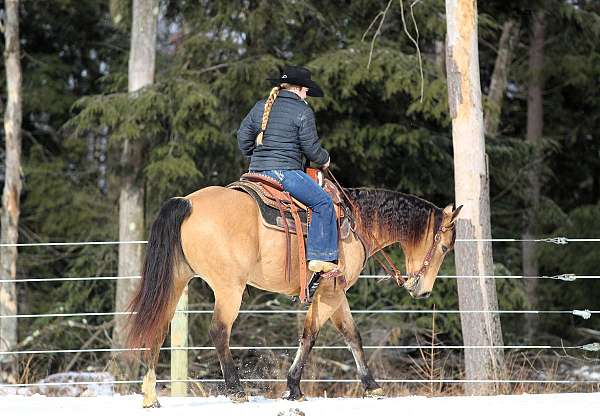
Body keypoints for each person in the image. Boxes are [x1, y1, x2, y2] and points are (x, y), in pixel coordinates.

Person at [237, 65, 338, 274]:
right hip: (284, 173)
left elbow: (242, 139)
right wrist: (325, 159)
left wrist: (259, 153)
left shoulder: (261, 106)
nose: (307, 94)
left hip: (254, 172)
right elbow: (311, 148)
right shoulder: (303, 111)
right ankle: (320, 258)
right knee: (323, 202)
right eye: (306, 90)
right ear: (301, 89)